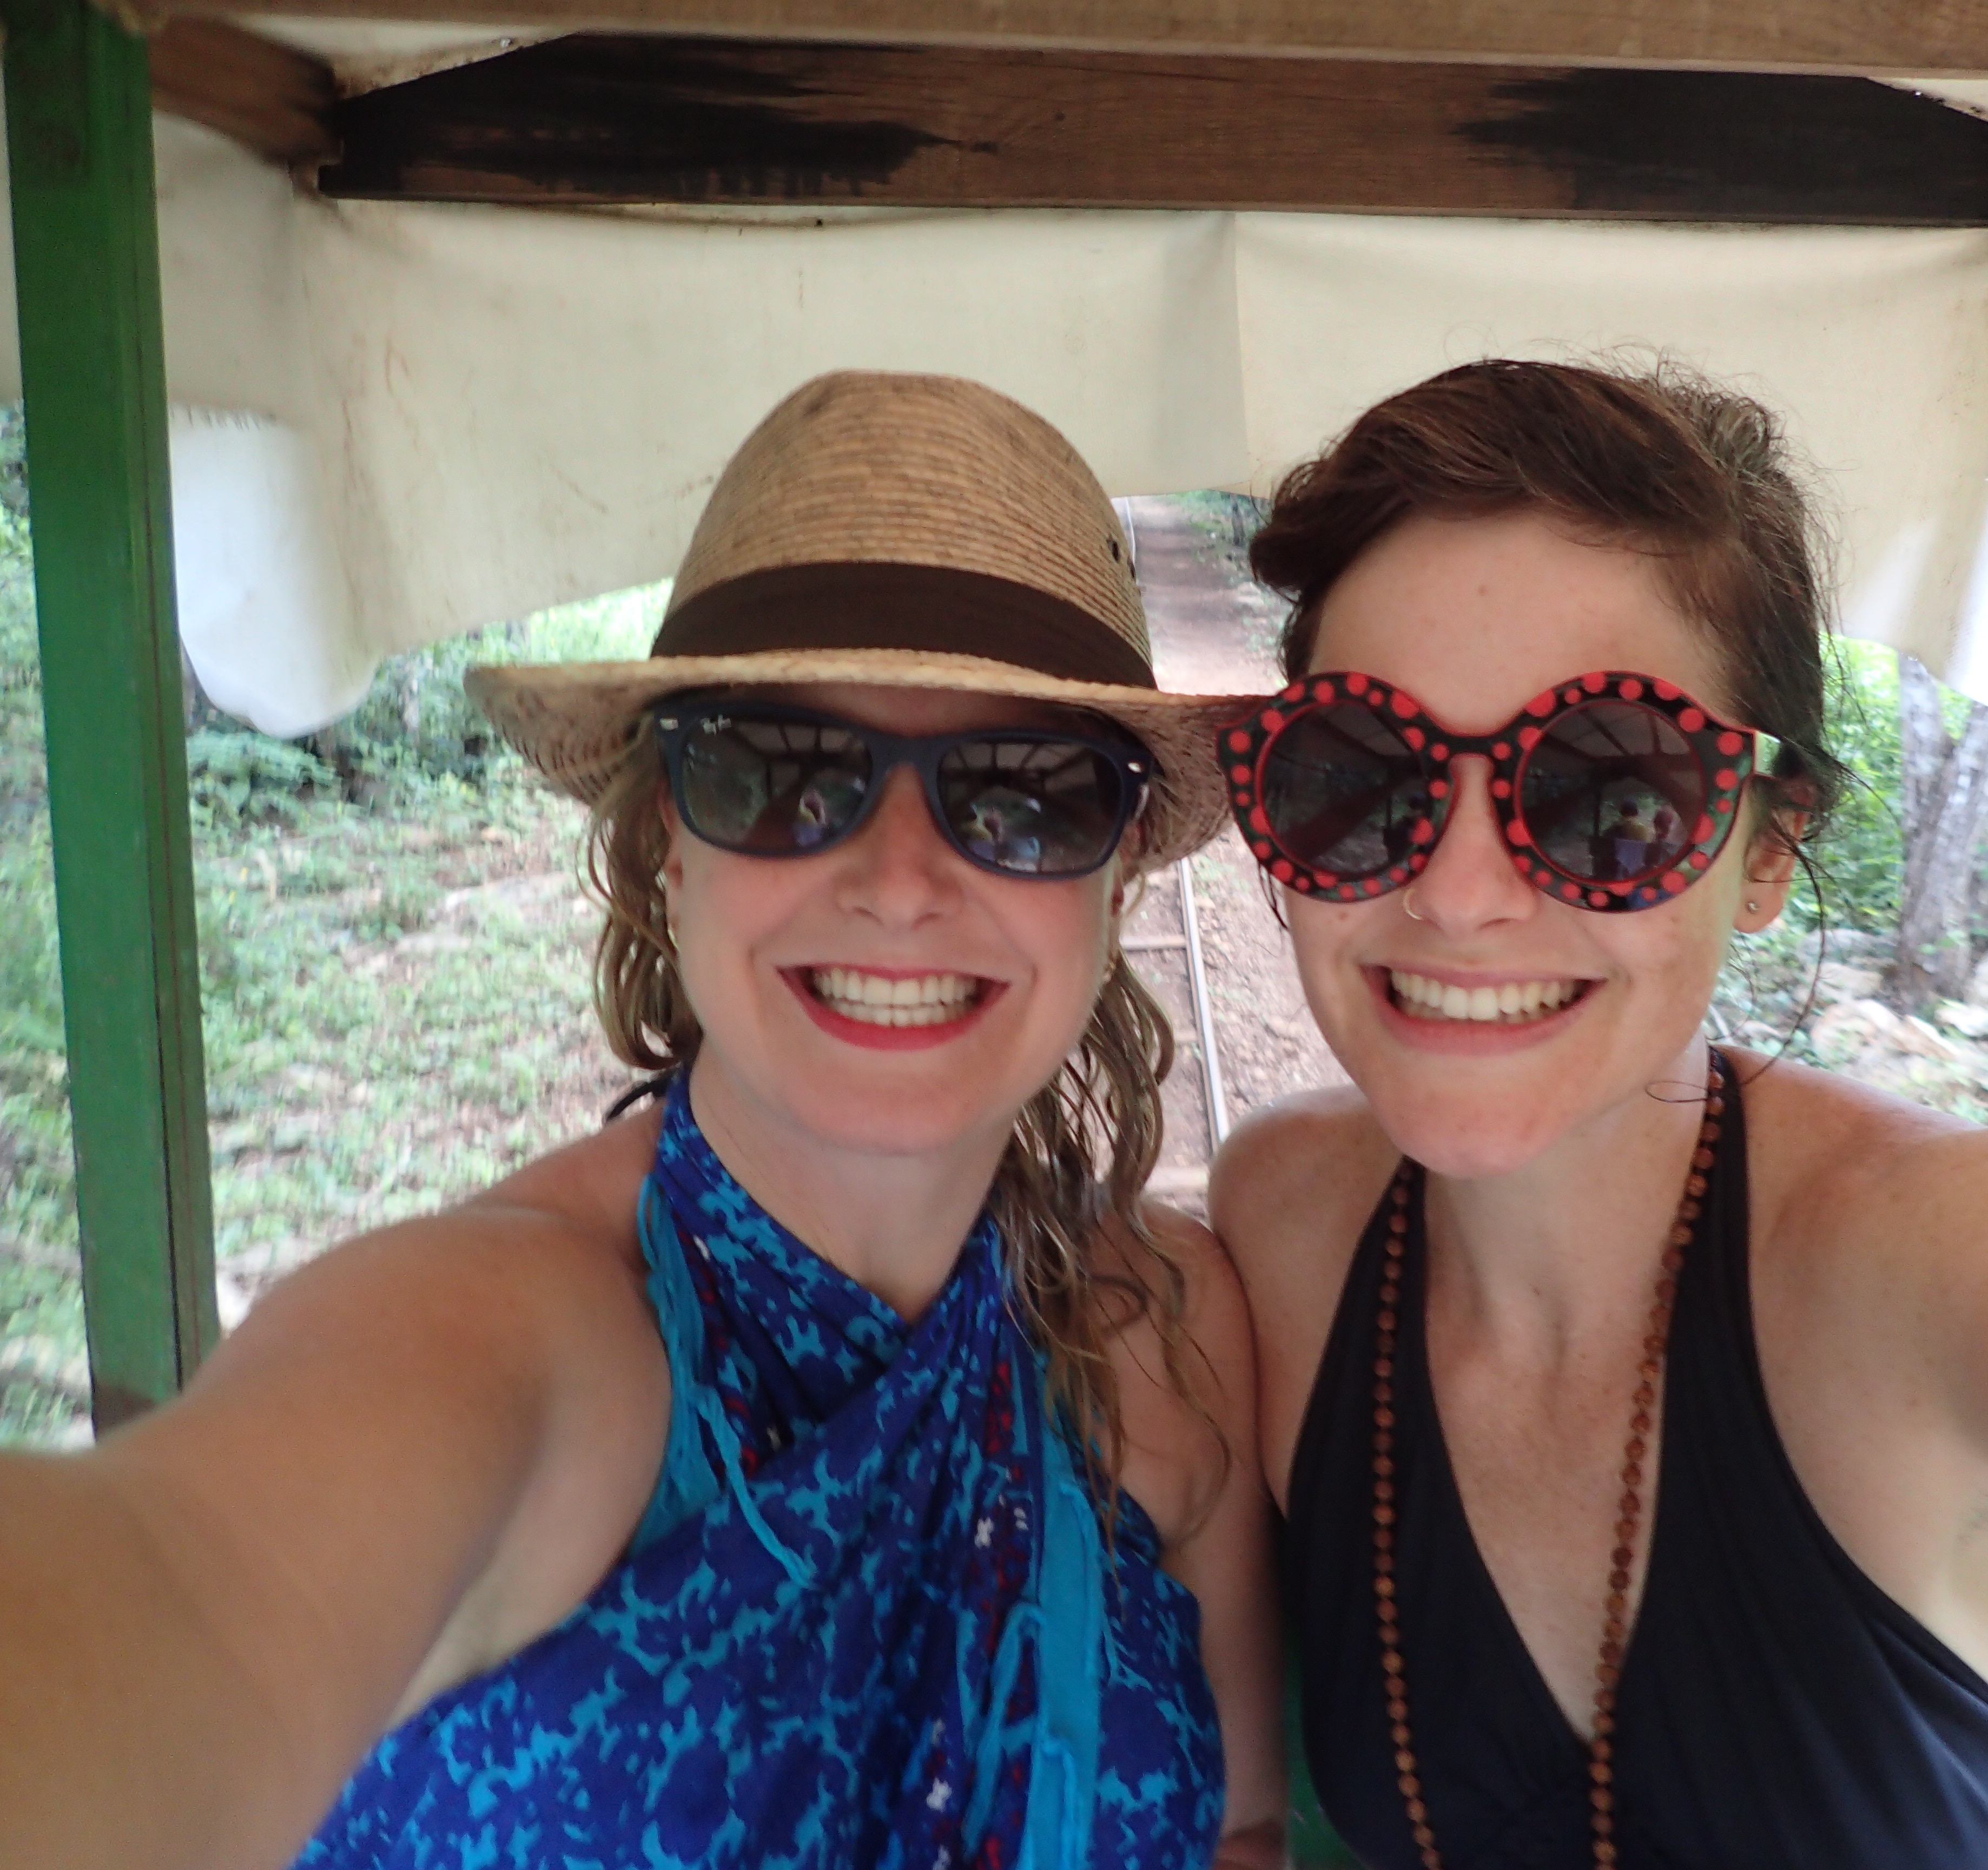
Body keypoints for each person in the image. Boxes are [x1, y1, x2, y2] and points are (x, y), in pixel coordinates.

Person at [1207, 358, 1988, 1869]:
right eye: (1361, 773)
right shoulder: (1287, 1219)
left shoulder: (1952, 1261)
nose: (1461, 891)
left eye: (1610, 790)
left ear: (1768, 850)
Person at [0, 372, 1284, 1870]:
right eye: (783, 773)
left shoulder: (1169, 1330)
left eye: (1028, 794)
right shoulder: (514, 1335)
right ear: (668, 843)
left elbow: (1243, 1830)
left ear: (1119, 878)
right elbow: (185, 1591)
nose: (900, 881)